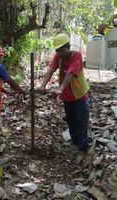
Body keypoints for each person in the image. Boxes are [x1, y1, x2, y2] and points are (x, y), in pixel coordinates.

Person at [38, 33, 90, 163]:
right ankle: (75, 143)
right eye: (57, 51)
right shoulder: (58, 57)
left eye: (61, 50)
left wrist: (60, 88)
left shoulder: (76, 56)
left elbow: (71, 74)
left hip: (80, 95)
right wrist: (43, 85)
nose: (59, 53)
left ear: (68, 47)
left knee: (81, 122)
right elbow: (51, 69)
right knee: (71, 120)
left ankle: (82, 149)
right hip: (67, 97)